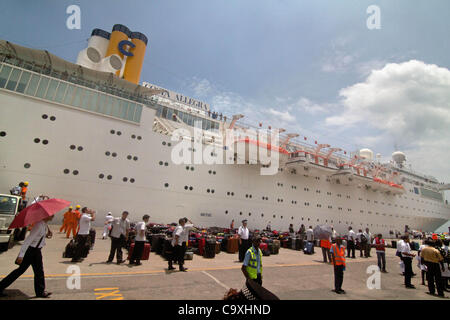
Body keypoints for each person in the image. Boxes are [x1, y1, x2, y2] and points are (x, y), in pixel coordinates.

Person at [0, 215, 53, 298]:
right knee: (20, 271)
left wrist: (47, 234)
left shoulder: (44, 225)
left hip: (37, 251)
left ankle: (40, 291)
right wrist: (21, 255)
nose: (53, 216)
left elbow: (39, 237)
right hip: (31, 251)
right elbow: (28, 240)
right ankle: (0, 287)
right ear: (45, 216)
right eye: (51, 215)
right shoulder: (39, 225)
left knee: (39, 271)